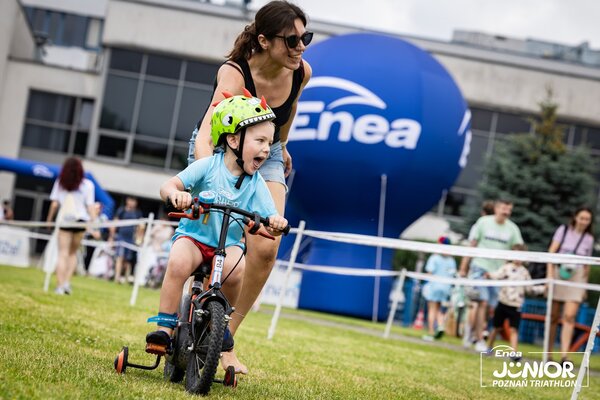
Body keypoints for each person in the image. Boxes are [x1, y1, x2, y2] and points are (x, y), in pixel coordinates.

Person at [187, 0, 312, 374]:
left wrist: (283, 147)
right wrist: (204, 173)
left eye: (306, 37)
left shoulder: (301, 72)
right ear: (263, 40)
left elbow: (286, 118)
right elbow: (210, 128)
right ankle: (186, 308)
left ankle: (224, 339)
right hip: (222, 148)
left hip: (267, 151)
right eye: (291, 40)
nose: (300, 47)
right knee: (210, 233)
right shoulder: (234, 72)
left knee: (267, 242)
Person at [145, 93, 288, 360]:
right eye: (260, 140)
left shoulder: (256, 182)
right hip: (195, 238)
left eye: (269, 142)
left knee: (238, 270)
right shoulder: (207, 167)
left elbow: (270, 217)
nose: (267, 149)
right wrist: (178, 195)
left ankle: (220, 324)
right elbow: (170, 185)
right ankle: (164, 327)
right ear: (234, 140)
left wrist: (276, 223)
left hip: (228, 245)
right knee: (177, 263)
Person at [459, 199, 524, 352]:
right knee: (481, 302)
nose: (506, 212)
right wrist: (463, 267)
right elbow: (472, 245)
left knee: (490, 307)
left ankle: (472, 332)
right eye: (503, 208)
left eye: (509, 209)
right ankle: (479, 339)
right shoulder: (483, 222)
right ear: (496, 208)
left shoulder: (512, 229)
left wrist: (513, 270)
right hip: (480, 268)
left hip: (498, 273)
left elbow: (518, 249)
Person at [546, 207, 594, 365]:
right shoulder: (563, 230)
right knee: (553, 316)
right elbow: (551, 252)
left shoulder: (589, 238)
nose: (584, 222)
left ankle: (565, 356)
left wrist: (584, 286)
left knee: (569, 316)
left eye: (587, 219)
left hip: (577, 277)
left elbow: (587, 264)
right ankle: (548, 354)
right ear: (575, 217)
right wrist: (550, 276)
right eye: (582, 218)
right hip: (559, 272)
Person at [45, 157, 96, 295]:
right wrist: (93, 224)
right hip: (80, 221)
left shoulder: (60, 183)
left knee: (63, 253)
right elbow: (90, 207)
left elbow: (54, 204)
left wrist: (49, 220)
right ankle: (66, 283)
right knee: (73, 253)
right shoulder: (88, 185)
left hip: (65, 220)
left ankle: (60, 286)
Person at [485, 244, 544, 357]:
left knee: (514, 329)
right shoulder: (506, 268)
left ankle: (513, 352)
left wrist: (543, 288)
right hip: (503, 303)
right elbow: (497, 275)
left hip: (516, 305)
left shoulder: (525, 272)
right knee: (497, 327)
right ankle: (489, 347)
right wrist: (489, 275)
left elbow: (529, 288)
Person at [422, 236, 457, 342]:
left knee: (432, 309)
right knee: (440, 310)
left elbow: (429, 272)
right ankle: (441, 326)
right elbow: (453, 274)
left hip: (434, 286)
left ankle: (431, 332)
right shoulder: (452, 260)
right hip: (446, 287)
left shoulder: (434, 257)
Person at [110, 196, 144, 284]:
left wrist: (139, 239)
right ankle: (117, 278)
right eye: (131, 200)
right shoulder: (121, 210)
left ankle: (125, 278)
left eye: (134, 201)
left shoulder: (137, 213)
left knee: (127, 260)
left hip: (131, 239)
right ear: (127, 201)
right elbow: (115, 223)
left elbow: (141, 226)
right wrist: (112, 236)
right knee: (119, 257)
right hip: (121, 237)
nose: (132, 202)